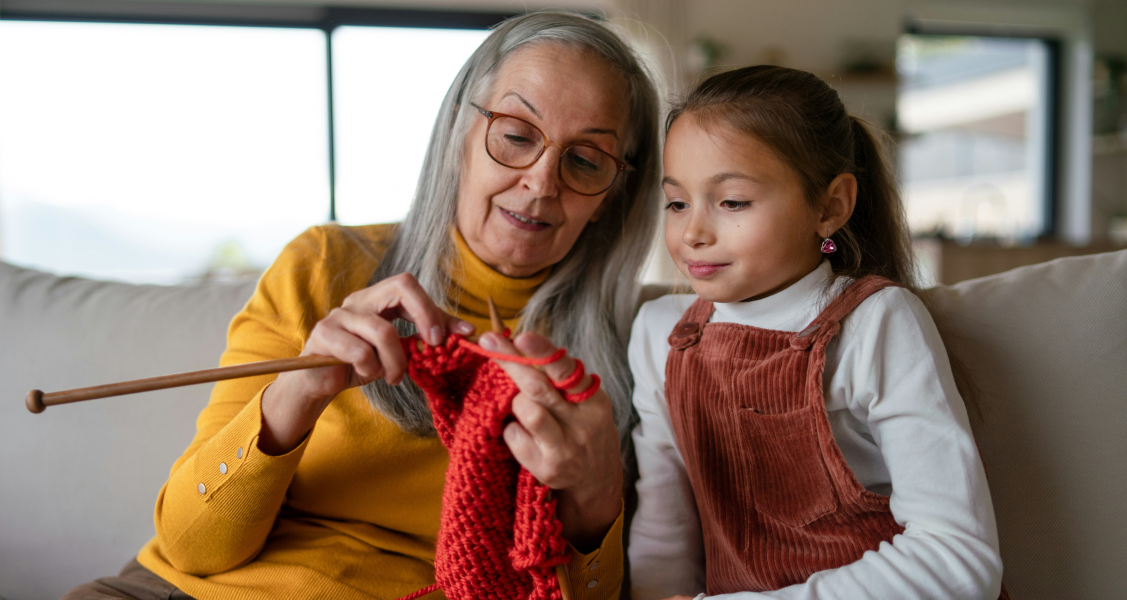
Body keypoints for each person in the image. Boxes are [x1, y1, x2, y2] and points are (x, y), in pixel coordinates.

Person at [63, 11, 662, 600]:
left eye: (586, 160)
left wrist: (597, 490)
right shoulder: (324, 265)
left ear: (614, 194)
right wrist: (299, 391)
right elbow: (192, 548)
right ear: (459, 134)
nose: (541, 181)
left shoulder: (637, 345)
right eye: (514, 135)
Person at [627, 66, 1008, 600]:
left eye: (732, 201)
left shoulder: (875, 323)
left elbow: (958, 559)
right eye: (677, 202)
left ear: (831, 207)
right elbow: (664, 534)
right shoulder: (659, 334)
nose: (692, 232)